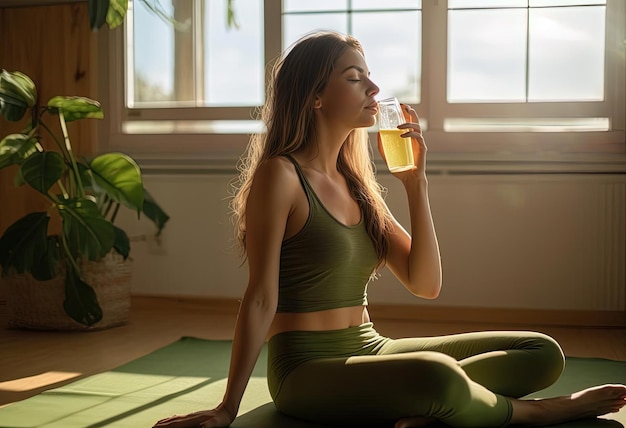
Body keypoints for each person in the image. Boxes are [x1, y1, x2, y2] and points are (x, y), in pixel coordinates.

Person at [154, 31, 626, 428]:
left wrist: (415, 185)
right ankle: (538, 412)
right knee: (438, 375)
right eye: (355, 78)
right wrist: (227, 407)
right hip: (305, 369)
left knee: (541, 351)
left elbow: (426, 284)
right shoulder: (281, 176)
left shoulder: (356, 185)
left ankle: (436, 404)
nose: (374, 89)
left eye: (369, 76)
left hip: (372, 347)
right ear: (315, 96)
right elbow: (259, 296)